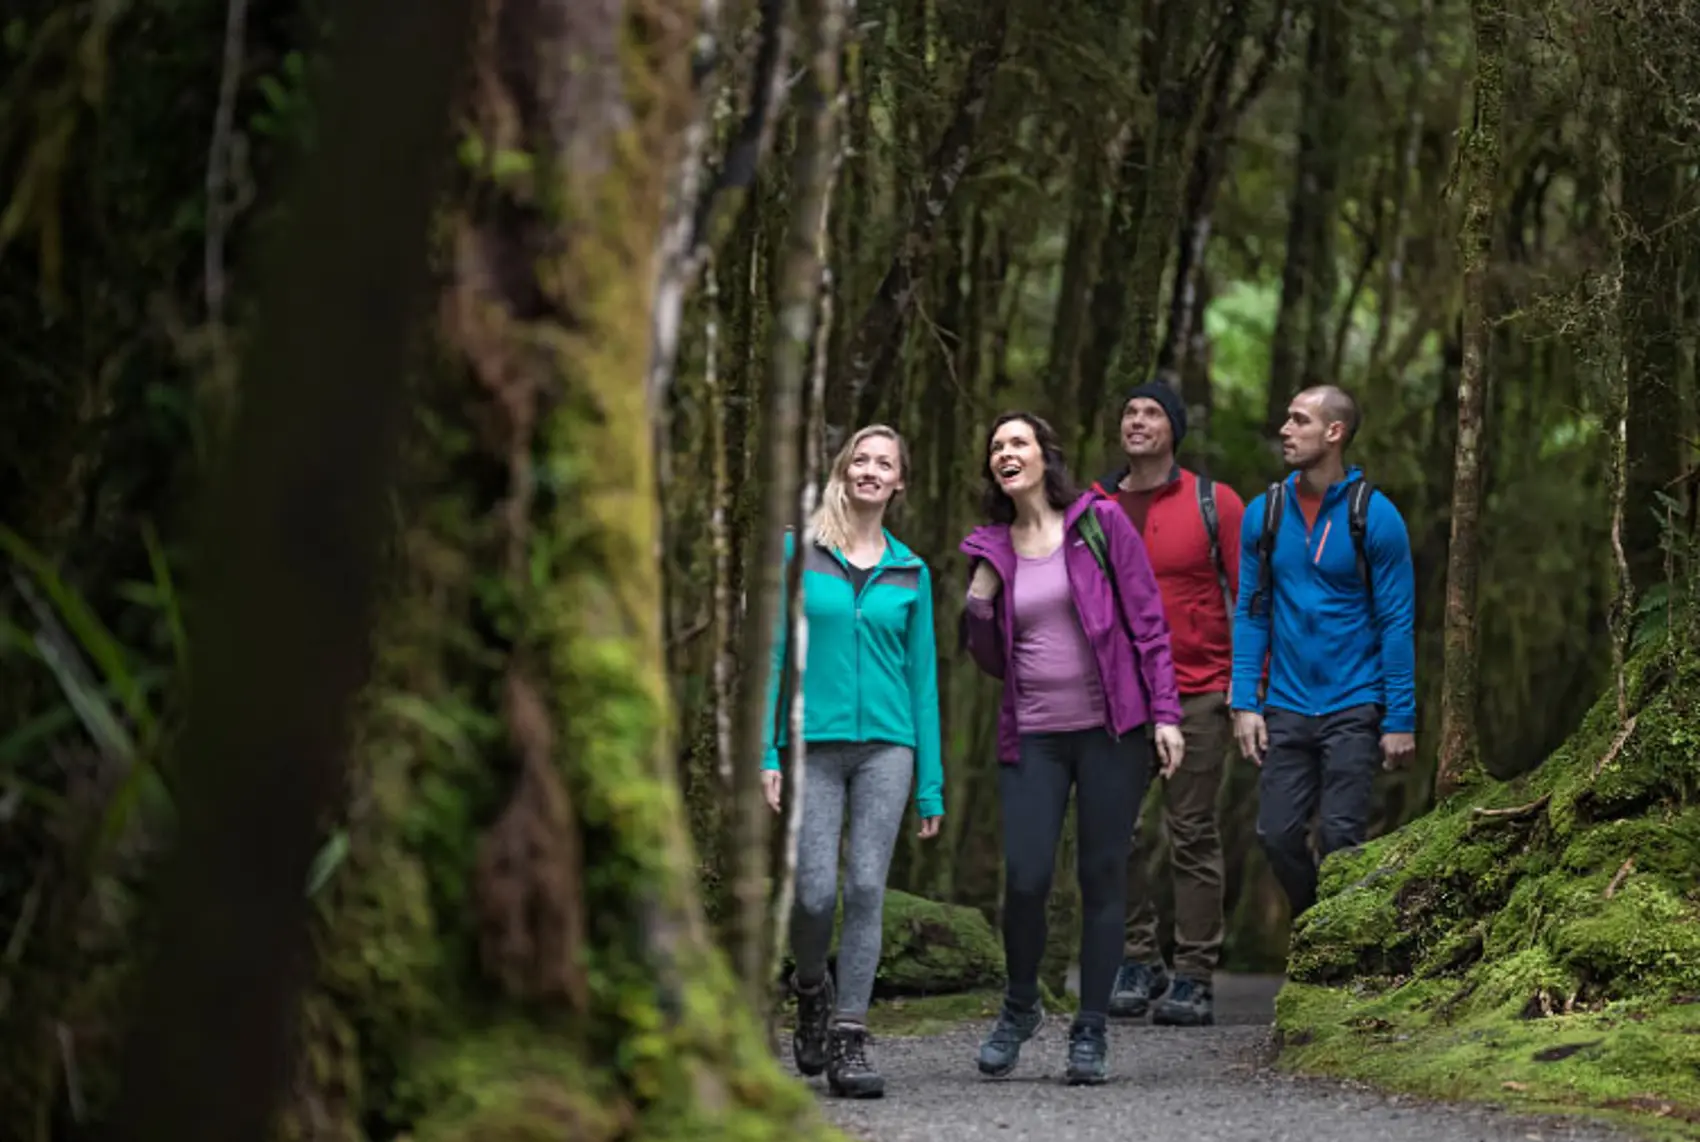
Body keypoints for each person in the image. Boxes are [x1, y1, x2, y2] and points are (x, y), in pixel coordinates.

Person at [960, 411, 1184, 1086]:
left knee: (1102, 876)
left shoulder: (1099, 522)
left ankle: (1090, 1029)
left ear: (1042, 455)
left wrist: (1166, 716)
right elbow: (993, 660)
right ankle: (1020, 1005)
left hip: (1112, 731)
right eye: (996, 445)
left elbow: (1148, 623)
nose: (1006, 452)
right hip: (1033, 732)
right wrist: (978, 603)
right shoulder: (990, 547)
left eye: (1018, 442)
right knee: (1025, 877)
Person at [761, 424, 943, 1100]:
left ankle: (849, 1034)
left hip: (888, 749)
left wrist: (931, 787)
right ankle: (811, 986)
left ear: (899, 481)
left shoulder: (911, 570)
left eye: (884, 463)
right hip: (812, 745)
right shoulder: (798, 554)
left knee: (866, 886)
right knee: (814, 892)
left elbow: (923, 681)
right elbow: (773, 657)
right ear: (844, 471)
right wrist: (765, 750)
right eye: (860, 460)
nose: (870, 471)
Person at [1229, 385, 1417, 919]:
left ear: (1333, 433)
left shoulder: (1376, 518)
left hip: (1354, 705)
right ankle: (1316, 923)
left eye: (1298, 421)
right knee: (1276, 833)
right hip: (1286, 704)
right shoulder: (1264, 515)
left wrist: (1399, 718)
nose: (1285, 431)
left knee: (1341, 838)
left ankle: (1337, 957)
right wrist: (1245, 699)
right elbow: (1251, 611)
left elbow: (1397, 623)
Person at [1091, 381, 1245, 1028]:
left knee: (1191, 834)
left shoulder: (1217, 504)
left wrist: (1248, 689)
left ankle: (1194, 973)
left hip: (1201, 690)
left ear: (1173, 429)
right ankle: (1136, 955)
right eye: (1129, 411)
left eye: (1151, 413)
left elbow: (1251, 594)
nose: (1137, 421)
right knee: (1113, 831)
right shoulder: (1094, 506)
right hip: (1118, 697)